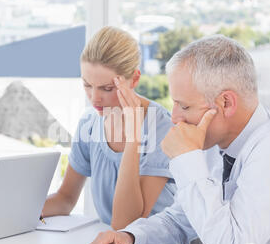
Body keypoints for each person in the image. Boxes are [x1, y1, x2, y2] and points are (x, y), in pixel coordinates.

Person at [85, 35, 270, 244]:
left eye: (184, 106)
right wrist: (130, 236)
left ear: (225, 102)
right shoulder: (215, 143)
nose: (175, 118)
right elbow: (180, 220)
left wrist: (187, 158)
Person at [41, 26, 177, 230]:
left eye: (107, 88)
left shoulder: (162, 128)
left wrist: (133, 137)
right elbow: (65, 198)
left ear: (135, 79)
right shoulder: (90, 123)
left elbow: (127, 224)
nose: (95, 98)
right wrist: (16, 214)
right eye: (87, 85)